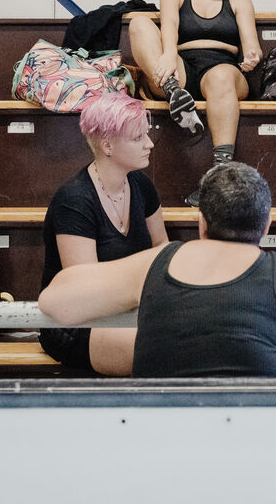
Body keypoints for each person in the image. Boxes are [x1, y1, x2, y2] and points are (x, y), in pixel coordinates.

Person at [39, 161, 276, 378]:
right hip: (258, 437)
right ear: (266, 227)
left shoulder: (155, 261)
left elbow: (55, 302)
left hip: (163, 437)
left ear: (201, 223)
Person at [128, 0, 262, 204]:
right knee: (139, 22)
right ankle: (175, 95)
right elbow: (170, 27)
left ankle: (219, 174)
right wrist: (168, 54)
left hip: (223, 69)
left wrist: (252, 56)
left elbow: (252, 45)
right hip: (180, 69)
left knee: (221, 76)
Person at [39, 91, 168, 375]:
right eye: (138, 137)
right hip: (76, 325)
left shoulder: (141, 185)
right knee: (163, 349)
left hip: (130, 312)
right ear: (108, 145)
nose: (149, 144)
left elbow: (161, 247)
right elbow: (88, 292)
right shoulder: (74, 200)